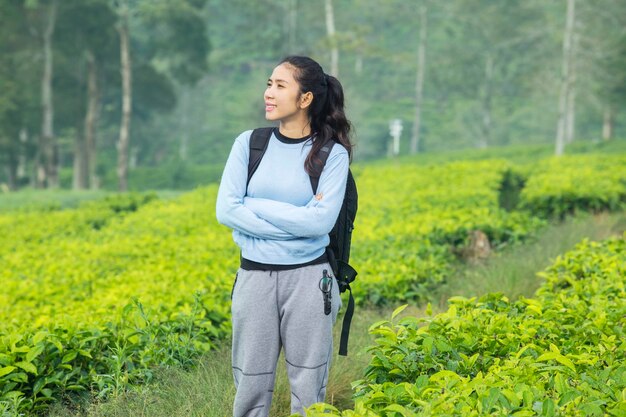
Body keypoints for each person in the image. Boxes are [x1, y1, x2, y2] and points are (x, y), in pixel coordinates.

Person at [215, 55, 353, 417]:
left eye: (279, 86)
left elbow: (319, 224)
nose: (268, 94)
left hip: (310, 280)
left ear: (305, 99)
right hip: (254, 278)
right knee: (250, 384)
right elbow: (226, 211)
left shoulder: (331, 154)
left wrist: (255, 205)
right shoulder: (250, 144)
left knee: (309, 387)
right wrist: (297, 219)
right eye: (268, 84)